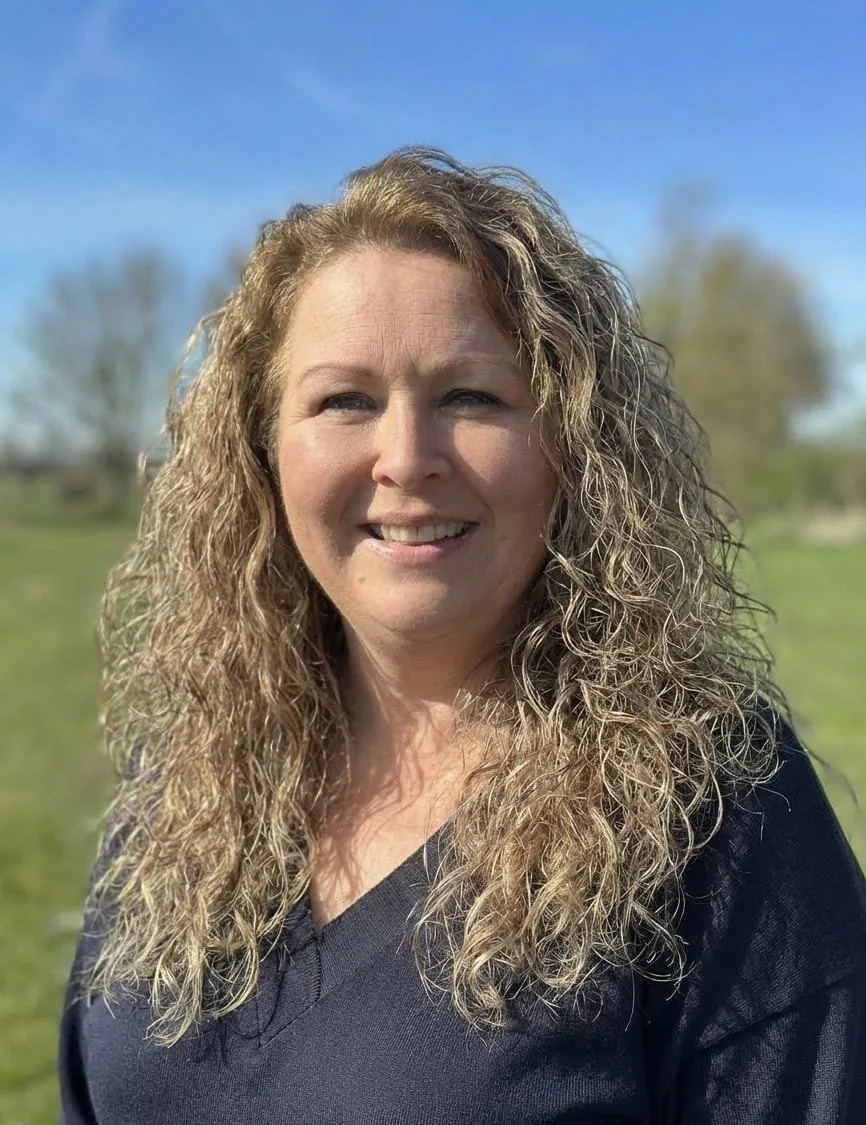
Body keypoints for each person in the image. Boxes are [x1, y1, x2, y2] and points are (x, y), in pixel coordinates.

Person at [58, 147, 866, 1124]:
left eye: (470, 398)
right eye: (343, 401)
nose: (406, 459)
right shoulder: (187, 774)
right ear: (259, 450)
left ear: (572, 445)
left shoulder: (713, 804)